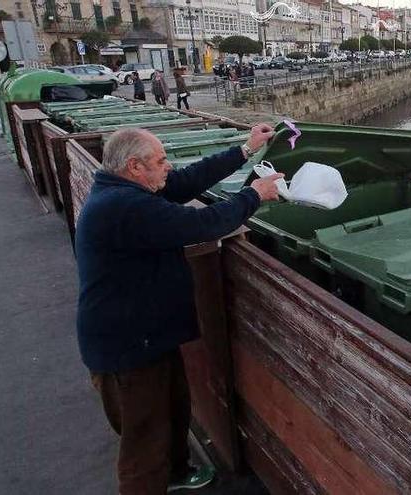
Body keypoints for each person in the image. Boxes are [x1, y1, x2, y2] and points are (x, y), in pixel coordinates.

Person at [75, 124, 282, 494]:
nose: (168, 165)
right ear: (135, 167)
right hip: (126, 349)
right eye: (160, 159)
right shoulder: (124, 207)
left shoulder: (127, 187)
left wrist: (245, 149)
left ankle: (175, 471)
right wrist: (253, 196)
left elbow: (187, 180)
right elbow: (201, 224)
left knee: (171, 409)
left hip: (148, 337)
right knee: (143, 442)